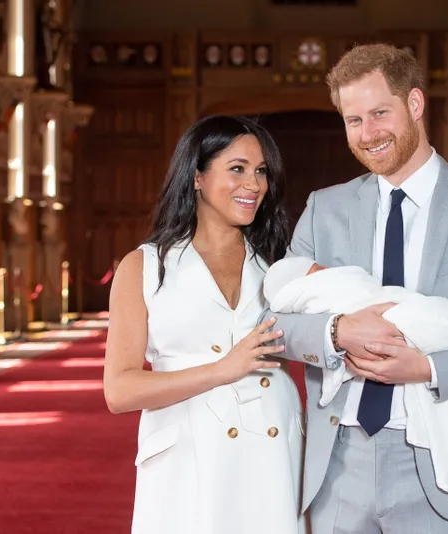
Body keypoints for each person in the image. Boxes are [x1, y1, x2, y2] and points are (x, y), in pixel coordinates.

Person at [262, 43, 448, 533]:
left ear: (415, 104)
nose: (367, 133)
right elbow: (275, 324)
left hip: (444, 459)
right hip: (340, 460)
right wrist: (338, 331)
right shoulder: (325, 209)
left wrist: (428, 367)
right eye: (352, 119)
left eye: (379, 113)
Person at [103, 115, 306, 534]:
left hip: (273, 452)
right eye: (237, 168)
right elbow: (119, 391)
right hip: (187, 460)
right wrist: (220, 370)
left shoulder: (280, 262)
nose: (254, 184)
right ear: (197, 176)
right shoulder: (144, 266)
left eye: (261, 171)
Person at [264, 256, 448, 498]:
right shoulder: (316, 228)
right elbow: (270, 326)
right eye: (318, 270)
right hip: (340, 450)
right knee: (419, 321)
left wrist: (429, 368)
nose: (327, 270)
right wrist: (337, 331)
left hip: (423, 445)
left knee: (425, 316)